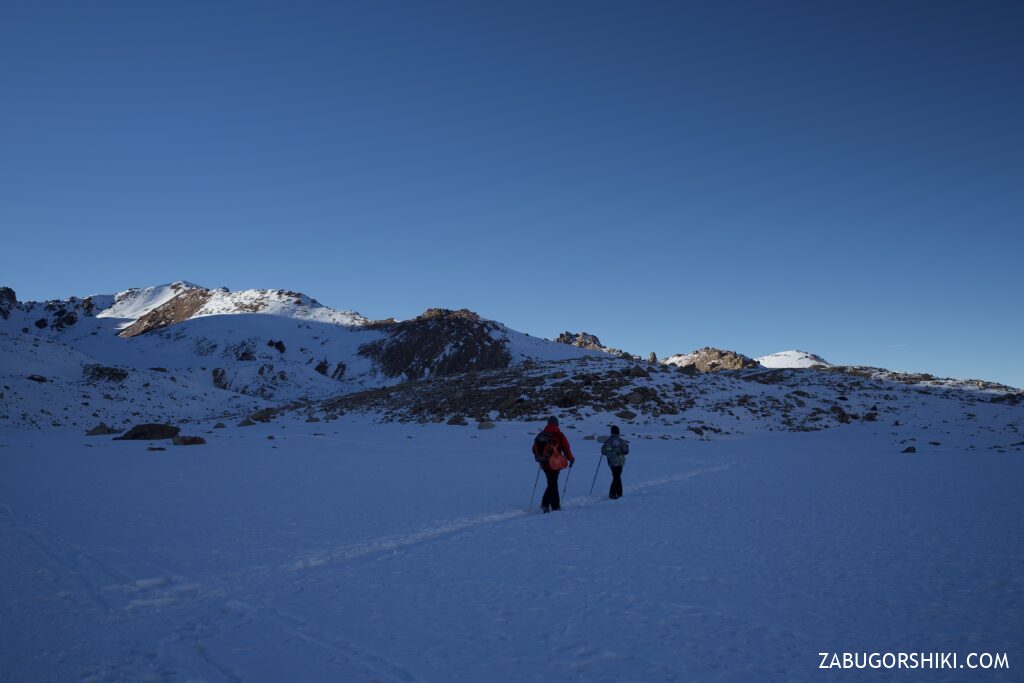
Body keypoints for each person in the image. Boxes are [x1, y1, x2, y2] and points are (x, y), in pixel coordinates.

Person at [532, 416, 574, 512]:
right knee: (553, 484)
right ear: (557, 424)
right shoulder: (559, 435)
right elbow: (566, 449)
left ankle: (555, 506)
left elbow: (533, 450)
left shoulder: (541, 434)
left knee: (552, 483)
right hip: (554, 464)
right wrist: (571, 459)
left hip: (543, 463)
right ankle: (546, 504)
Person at [601, 425, 629, 499]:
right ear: (618, 432)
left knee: (616, 476)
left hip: (611, 462)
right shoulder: (621, 441)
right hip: (620, 462)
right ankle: (612, 493)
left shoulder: (607, 441)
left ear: (611, 432)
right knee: (616, 476)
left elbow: (603, 451)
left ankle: (619, 493)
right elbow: (626, 451)